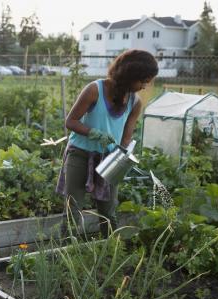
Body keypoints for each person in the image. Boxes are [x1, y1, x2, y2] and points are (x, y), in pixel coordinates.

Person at [57, 49, 158, 234]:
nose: (145, 86)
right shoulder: (94, 89)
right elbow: (70, 121)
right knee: (73, 210)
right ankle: (66, 254)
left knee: (108, 211)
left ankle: (110, 251)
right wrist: (95, 133)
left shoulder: (134, 102)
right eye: (143, 80)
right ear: (130, 75)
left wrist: (123, 156)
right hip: (80, 154)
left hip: (110, 158)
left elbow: (126, 138)